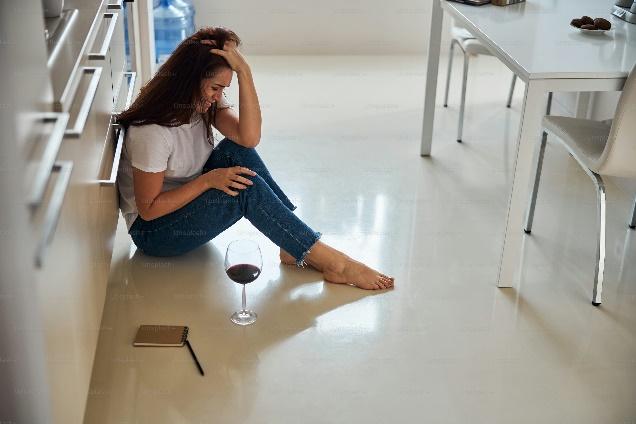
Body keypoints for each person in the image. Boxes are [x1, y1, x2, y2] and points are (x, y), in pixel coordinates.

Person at [116, 27, 394, 290]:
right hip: (155, 232)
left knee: (239, 152)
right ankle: (335, 263)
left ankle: (292, 243)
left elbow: (248, 138)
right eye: (215, 88)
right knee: (244, 188)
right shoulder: (152, 132)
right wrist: (209, 181)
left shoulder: (200, 102)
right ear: (190, 80)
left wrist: (244, 72)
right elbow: (149, 209)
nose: (218, 96)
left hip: (184, 200)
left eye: (224, 88)